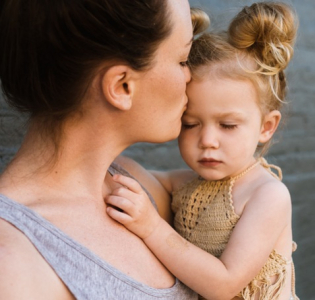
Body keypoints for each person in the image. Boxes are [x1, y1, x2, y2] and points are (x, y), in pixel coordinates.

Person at [0, 0, 206, 298]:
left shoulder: (135, 186)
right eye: (183, 60)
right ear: (122, 85)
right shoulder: (14, 264)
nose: (190, 77)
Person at [105, 2, 299, 300]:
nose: (207, 139)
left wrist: (152, 227)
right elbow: (126, 172)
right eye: (191, 123)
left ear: (266, 127)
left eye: (228, 125)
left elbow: (224, 284)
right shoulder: (185, 185)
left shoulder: (267, 195)